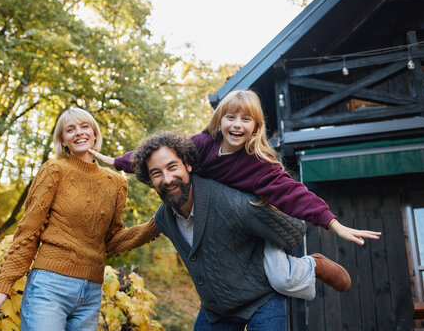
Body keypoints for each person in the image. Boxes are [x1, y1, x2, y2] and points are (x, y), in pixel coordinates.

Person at [90, 89, 381, 300]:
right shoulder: (202, 146)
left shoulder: (260, 165)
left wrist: (333, 223)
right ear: (220, 120)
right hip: (224, 224)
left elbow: (295, 194)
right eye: (231, 117)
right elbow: (161, 158)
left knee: (281, 279)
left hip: (259, 221)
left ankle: (313, 263)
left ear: (255, 127)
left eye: (246, 119)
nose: (237, 125)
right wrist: (117, 161)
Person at [0, 107, 160, 331]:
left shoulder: (116, 183)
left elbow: (111, 240)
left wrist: (156, 225)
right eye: (70, 129)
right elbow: (29, 231)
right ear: (63, 141)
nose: (79, 133)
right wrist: (4, 283)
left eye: (84, 126)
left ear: (94, 134)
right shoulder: (54, 170)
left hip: (91, 294)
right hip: (49, 287)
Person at [131, 131, 308, 329]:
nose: (167, 179)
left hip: (262, 298)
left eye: (172, 167)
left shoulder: (230, 203)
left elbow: (294, 231)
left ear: (188, 165)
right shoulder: (164, 218)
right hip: (216, 310)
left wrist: (271, 259)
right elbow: (137, 235)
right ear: (150, 180)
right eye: (157, 173)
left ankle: (314, 264)